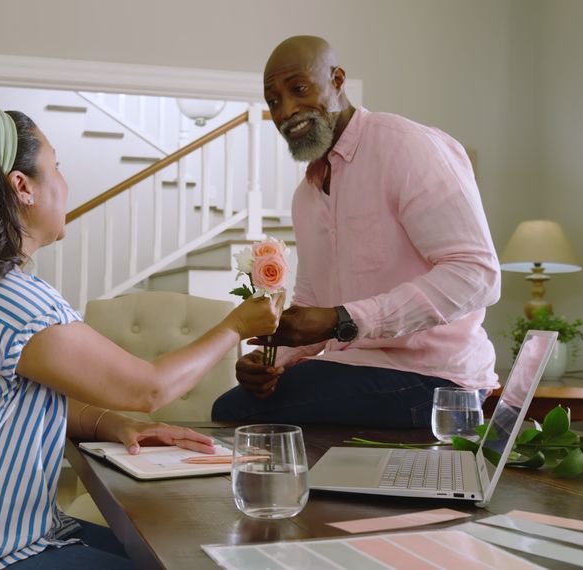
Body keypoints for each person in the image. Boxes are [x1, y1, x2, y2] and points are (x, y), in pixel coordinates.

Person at [0, 101, 281, 570]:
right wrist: (235, 325)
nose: (66, 185)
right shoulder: (11, 300)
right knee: (184, 560)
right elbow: (147, 387)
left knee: (164, 553)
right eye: (57, 167)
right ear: (22, 186)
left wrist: (113, 424)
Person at [212, 35, 501, 428]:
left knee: (233, 413)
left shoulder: (407, 148)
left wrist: (342, 319)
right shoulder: (306, 195)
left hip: (438, 379)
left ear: (336, 80)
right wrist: (272, 362)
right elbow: (314, 301)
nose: (287, 110)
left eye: (298, 89)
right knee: (239, 403)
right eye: (274, 100)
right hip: (358, 367)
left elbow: (477, 276)